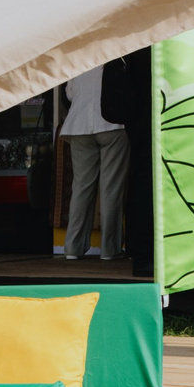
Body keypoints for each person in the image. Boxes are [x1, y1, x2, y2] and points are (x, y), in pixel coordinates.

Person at [56, 64, 126, 260]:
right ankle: (110, 249)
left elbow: (69, 94)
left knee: (81, 187)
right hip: (113, 125)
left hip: (79, 125)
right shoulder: (117, 56)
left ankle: (73, 248)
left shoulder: (80, 59)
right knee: (111, 188)